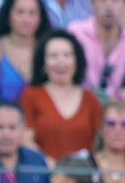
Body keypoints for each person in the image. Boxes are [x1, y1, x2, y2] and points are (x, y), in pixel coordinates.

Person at [22, 30, 104, 161]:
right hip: (43, 173)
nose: (61, 61)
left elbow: (100, 144)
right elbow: (25, 140)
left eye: (67, 55)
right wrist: (51, 166)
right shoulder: (31, 96)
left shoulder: (91, 100)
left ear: (77, 61)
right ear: (43, 63)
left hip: (83, 176)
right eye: (53, 56)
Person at [0, 0, 48, 104]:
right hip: (2, 115)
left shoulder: (48, 48)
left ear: (40, 18)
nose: (26, 20)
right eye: (20, 12)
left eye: (32, 13)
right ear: (8, 15)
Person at [72, 0, 125, 96]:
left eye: (115, 1)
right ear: (92, 4)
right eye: (102, 1)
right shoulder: (76, 34)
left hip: (121, 106)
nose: (109, 6)